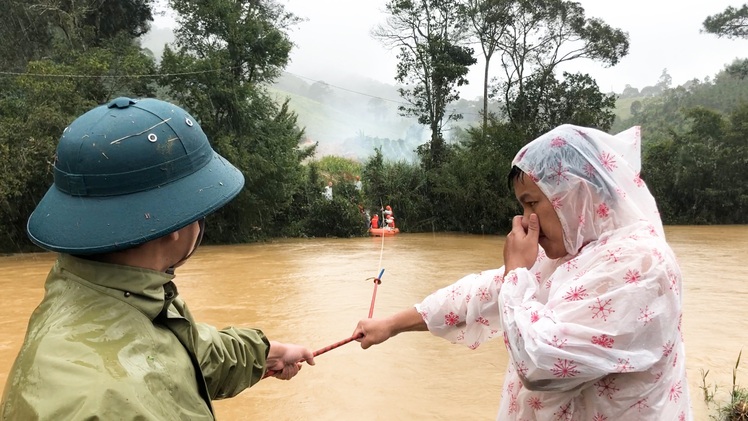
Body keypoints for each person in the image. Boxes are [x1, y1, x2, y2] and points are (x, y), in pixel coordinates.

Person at [0, 97, 315, 420]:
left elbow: (182, 352)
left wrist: (264, 354)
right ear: (175, 224)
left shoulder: (91, 290)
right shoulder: (107, 403)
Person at [353, 124, 692, 420]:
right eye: (522, 206)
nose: (525, 220)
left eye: (532, 203)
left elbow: (541, 364)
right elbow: (481, 293)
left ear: (575, 194)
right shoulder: (571, 254)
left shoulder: (643, 264)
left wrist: (516, 271)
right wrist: (390, 325)